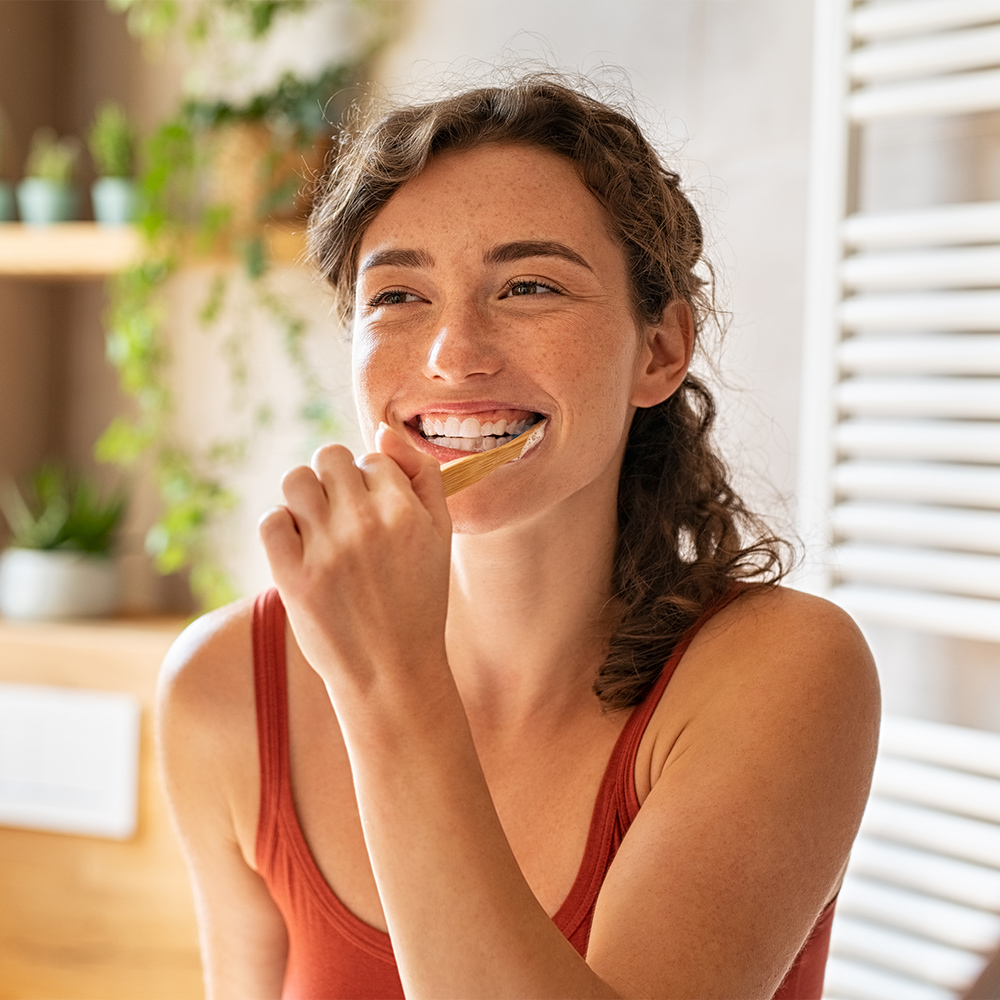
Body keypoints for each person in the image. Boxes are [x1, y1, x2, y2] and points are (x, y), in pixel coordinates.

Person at [158, 74, 880, 1000]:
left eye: (530, 285)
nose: (453, 353)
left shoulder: (784, 673)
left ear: (658, 351)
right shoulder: (224, 686)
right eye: (398, 297)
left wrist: (388, 680)